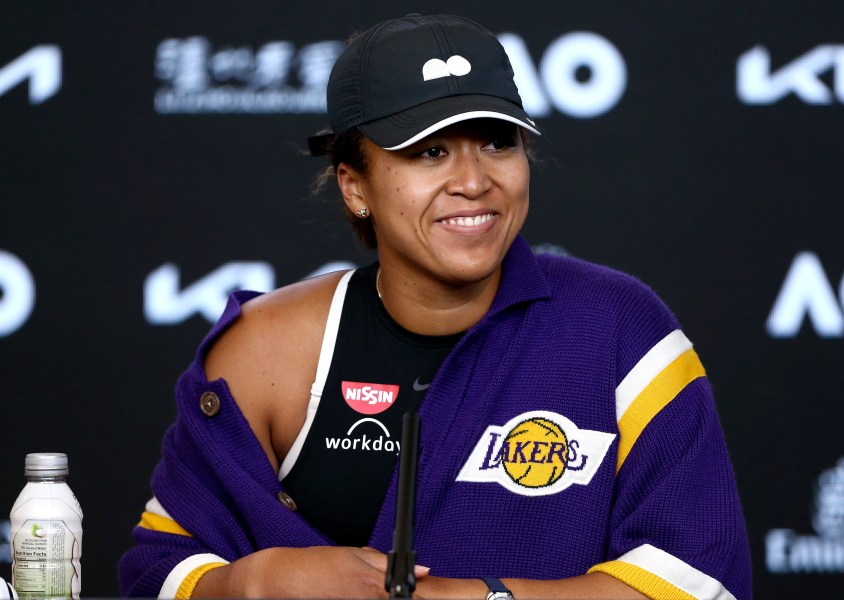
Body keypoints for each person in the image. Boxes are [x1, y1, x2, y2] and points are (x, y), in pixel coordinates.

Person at [119, 13, 752, 600]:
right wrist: (256, 581)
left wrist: (477, 596)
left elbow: (701, 579)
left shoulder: (619, 329)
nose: (474, 181)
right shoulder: (266, 347)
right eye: (429, 151)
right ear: (354, 185)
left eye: (498, 143)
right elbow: (158, 570)